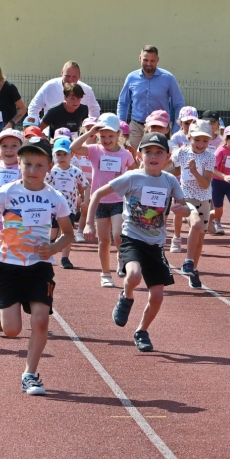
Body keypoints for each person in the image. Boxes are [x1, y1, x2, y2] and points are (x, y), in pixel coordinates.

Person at [0, 137, 74, 395]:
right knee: (12, 330)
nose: (32, 170)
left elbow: (68, 233)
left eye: (39, 165)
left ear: (49, 167)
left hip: (39, 266)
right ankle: (2, 304)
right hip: (7, 266)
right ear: (19, 164)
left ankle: (30, 374)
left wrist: (54, 248)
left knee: (40, 320)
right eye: (27, 164)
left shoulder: (55, 198)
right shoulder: (7, 192)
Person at [90, 132, 189, 353]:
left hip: (156, 244)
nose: (153, 156)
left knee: (158, 296)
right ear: (139, 155)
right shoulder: (132, 177)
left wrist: (183, 210)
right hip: (132, 238)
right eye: (148, 152)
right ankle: (126, 296)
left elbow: (185, 206)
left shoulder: (170, 180)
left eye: (159, 152)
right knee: (134, 275)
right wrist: (88, 224)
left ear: (168, 157)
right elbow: (97, 194)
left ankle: (142, 331)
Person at [70, 114, 134, 287]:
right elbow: (73, 147)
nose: (107, 140)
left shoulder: (125, 154)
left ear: (119, 134)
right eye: (103, 136)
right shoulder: (94, 150)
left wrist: (125, 179)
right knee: (104, 241)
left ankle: (121, 257)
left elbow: (134, 172)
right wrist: (90, 132)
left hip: (118, 200)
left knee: (118, 234)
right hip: (99, 202)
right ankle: (105, 274)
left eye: (111, 136)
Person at [169, 119, 219, 288]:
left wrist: (194, 171)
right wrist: (156, 175)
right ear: (189, 137)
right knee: (195, 224)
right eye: (197, 139)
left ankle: (193, 269)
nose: (201, 144)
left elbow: (205, 184)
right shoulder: (181, 153)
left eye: (205, 140)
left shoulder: (210, 157)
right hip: (186, 197)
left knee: (199, 239)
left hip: (204, 198)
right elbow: (173, 168)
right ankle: (188, 261)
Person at [117, 46, 186, 148]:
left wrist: (176, 129)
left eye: (152, 60)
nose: (149, 63)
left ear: (157, 60)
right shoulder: (131, 78)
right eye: (145, 60)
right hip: (137, 127)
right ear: (140, 58)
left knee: (158, 155)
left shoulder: (168, 78)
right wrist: (121, 125)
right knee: (134, 155)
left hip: (159, 127)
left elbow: (179, 104)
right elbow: (123, 103)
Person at [45, 137, 89, 269]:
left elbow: (86, 186)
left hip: (69, 208)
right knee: (52, 234)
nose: (61, 157)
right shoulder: (51, 171)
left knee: (67, 234)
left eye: (65, 154)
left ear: (72, 155)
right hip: (52, 208)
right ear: (54, 155)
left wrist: (85, 199)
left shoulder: (76, 171)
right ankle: (48, 253)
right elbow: (43, 185)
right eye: (58, 154)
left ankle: (65, 259)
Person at [26, 60, 102, 123]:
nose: (70, 80)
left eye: (74, 76)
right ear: (62, 73)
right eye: (67, 76)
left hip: (76, 133)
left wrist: (91, 128)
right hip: (51, 132)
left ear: (80, 75)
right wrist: (35, 127)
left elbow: (94, 110)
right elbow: (34, 107)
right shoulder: (49, 86)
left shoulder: (87, 90)